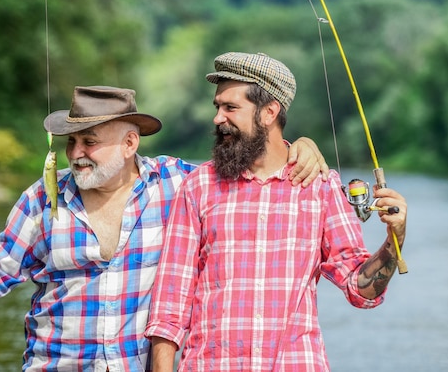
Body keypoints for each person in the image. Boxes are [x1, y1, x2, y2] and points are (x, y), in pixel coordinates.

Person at [0, 85, 329, 371]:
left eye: (90, 141)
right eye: (71, 141)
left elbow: (248, 164)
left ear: (129, 144)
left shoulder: (179, 184)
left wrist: (301, 147)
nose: (76, 153)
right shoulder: (44, 196)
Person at [145, 52, 408, 371]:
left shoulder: (320, 186)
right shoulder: (198, 186)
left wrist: (395, 238)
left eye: (231, 107)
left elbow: (361, 290)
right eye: (218, 107)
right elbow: (170, 303)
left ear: (269, 112)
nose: (218, 118)